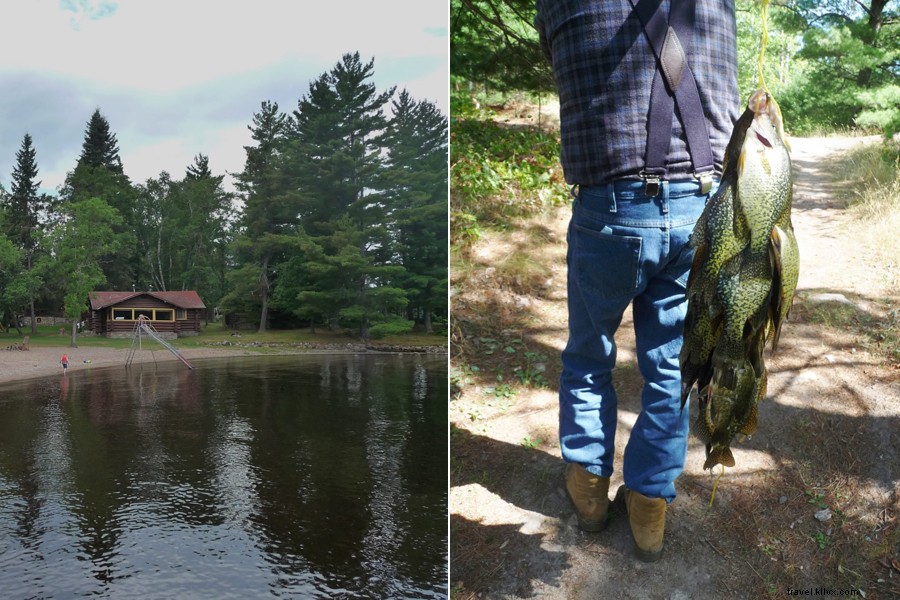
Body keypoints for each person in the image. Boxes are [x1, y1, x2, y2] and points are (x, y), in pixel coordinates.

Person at [535, 0, 740, 561]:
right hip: (703, 211)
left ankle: (589, 491)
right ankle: (650, 505)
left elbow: (553, 49)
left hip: (609, 208)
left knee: (588, 356)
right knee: (673, 368)